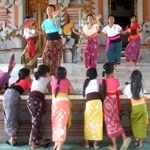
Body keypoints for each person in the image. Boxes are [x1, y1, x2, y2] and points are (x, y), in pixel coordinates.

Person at [99, 62, 131, 150]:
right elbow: (116, 87)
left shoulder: (101, 81)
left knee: (109, 123)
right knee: (116, 120)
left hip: (106, 103)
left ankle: (115, 145)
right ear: (112, 71)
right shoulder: (116, 80)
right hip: (113, 103)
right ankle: (124, 138)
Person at [2, 68, 32, 146]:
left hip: (7, 95)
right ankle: (12, 139)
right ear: (26, 76)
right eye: (30, 74)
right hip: (11, 96)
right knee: (11, 117)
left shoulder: (17, 81)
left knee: (8, 116)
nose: (30, 76)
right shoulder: (28, 81)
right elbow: (33, 89)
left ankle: (13, 137)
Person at [27, 64, 51, 149]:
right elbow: (50, 90)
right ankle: (33, 143)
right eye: (48, 71)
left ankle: (32, 141)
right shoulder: (47, 79)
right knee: (36, 122)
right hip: (36, 101)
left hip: (30, 100)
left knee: (35, 121)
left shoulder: (35, 77)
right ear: (45, 72)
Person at [123, 70, 148, 148]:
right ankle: (140, 143)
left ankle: (136, 139)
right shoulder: (141, 86)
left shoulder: (128, 87)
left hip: (135, 107)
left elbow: (124, 92)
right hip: (143, 107)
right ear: (140, 78)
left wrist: (129, 84)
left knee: (134, 123)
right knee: (142, 124)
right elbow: (144, 93)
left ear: (132, 78)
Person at [51, 67, 74, 150]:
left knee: (55, 125)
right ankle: (59, 148)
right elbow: (72, 91)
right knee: (62, 126)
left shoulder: (53, 81)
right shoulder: (66, 81)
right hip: (64, 104)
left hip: (55, 105)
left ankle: (56, 145)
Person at [82, 68, 103, 149]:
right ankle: (96, 143)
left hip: (89, 103)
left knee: (87, 123)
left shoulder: (86, 82)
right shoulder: (97, 81)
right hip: (97, 102)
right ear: (96, 75)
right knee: (98, 123)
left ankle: (86, 142)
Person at [41, 4, 63, 75]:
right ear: (46, 11)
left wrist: (55, 17)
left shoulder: (56, 18)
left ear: (54, 11)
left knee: (57, 57)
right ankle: (47, 71)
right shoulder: (44, 22)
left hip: (57, 40)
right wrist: (33, 29)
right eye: (48, 9)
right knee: (45, 55)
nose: (49, 11)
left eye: (51, 9)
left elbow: (58, 26)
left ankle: (56, 73)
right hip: (49, 40)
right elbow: (43, 32)